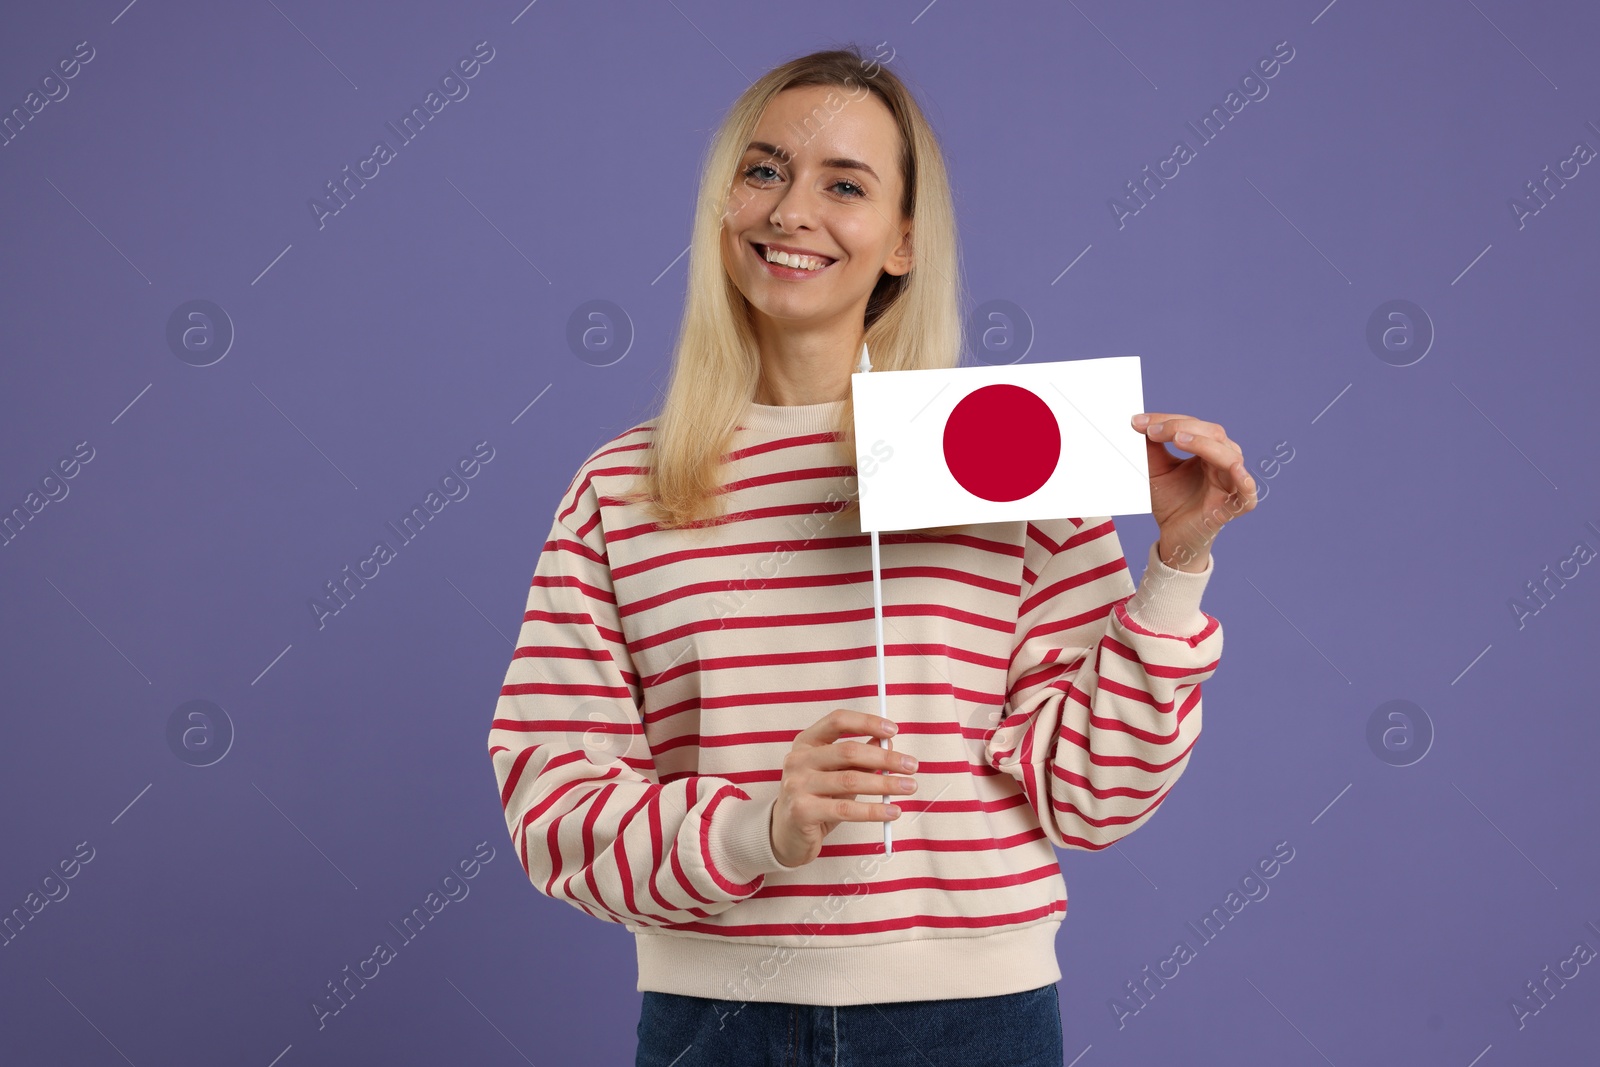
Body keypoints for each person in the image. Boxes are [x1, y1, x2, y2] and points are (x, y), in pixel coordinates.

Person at [486, 44, 1254, 1067]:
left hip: (972, 1017)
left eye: (842, 183)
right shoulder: (622, 486)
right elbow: (554, 797)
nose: (791, 211)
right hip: (714, 1023)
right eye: (763, 171)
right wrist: (760, 827)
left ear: (902, 238)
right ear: (723, 204)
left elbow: (1093, 793)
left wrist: (1175, 566)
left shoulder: (1008, 455)